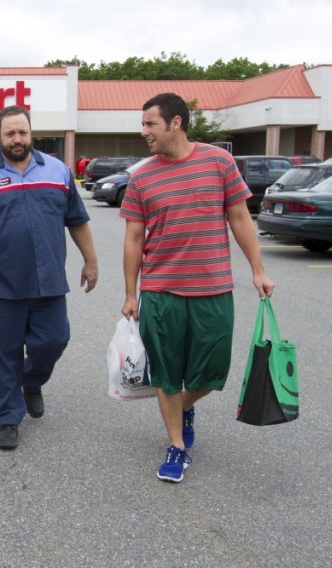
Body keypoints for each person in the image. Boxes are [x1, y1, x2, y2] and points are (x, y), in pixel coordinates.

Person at [120, 92, 275, 483]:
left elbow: (239, 216)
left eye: (150, 124)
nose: (144, 132)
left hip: (213, 288)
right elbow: (134, 237)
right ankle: (177, 446)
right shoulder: (141, 176)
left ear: (176, 123)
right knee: (167, 374)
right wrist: (130, 293)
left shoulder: (218, 162)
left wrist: (258, 269)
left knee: (211, 373)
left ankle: (185, 407)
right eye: (143, 124)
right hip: (161, 291)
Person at [0, 105, 99, 450]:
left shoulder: (57, 171)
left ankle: (31, 381)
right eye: (10, 133)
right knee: (1, 353)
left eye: (22, 132)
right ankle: (8, 417)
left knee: (54, 340)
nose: (17, 139)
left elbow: (76, 220)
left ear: (32, 133)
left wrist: (91, 260)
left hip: (47, 280)